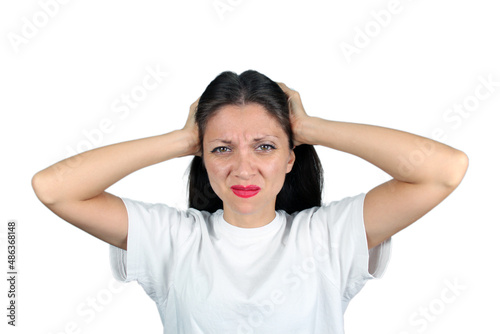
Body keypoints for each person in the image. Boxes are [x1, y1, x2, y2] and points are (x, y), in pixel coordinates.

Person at [32, 70, 469, 333]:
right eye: (223, 149)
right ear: (201, 158)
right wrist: (184, 138)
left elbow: (444, 170)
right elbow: (54, 188)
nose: (243, 169)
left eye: (264, 147)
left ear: (290, 158)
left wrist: (313, 126)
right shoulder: (171, 240)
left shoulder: (328, 237)